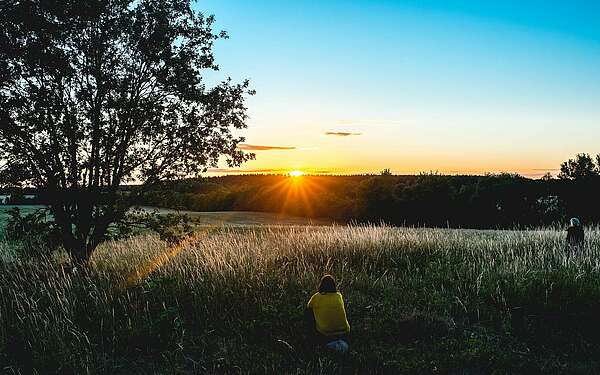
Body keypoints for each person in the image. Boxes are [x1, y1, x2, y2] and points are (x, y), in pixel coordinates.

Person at [306, 275, 350, 353]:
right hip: (344, 333)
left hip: (325, 334)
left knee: (309, 314)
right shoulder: (339, 296)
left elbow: (308, 308)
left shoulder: (316, 297)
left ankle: (312, 343)